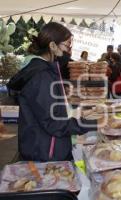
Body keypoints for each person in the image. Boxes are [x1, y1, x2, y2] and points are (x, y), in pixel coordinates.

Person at [7, 22, 100, 161]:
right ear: (52, 45)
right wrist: (90, 123)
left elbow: (50, 110)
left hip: (44, 147)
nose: (69, 51)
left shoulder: (45, 71)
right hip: (45, 152)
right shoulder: (41, 75)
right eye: (67, 46)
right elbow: (53, 122)